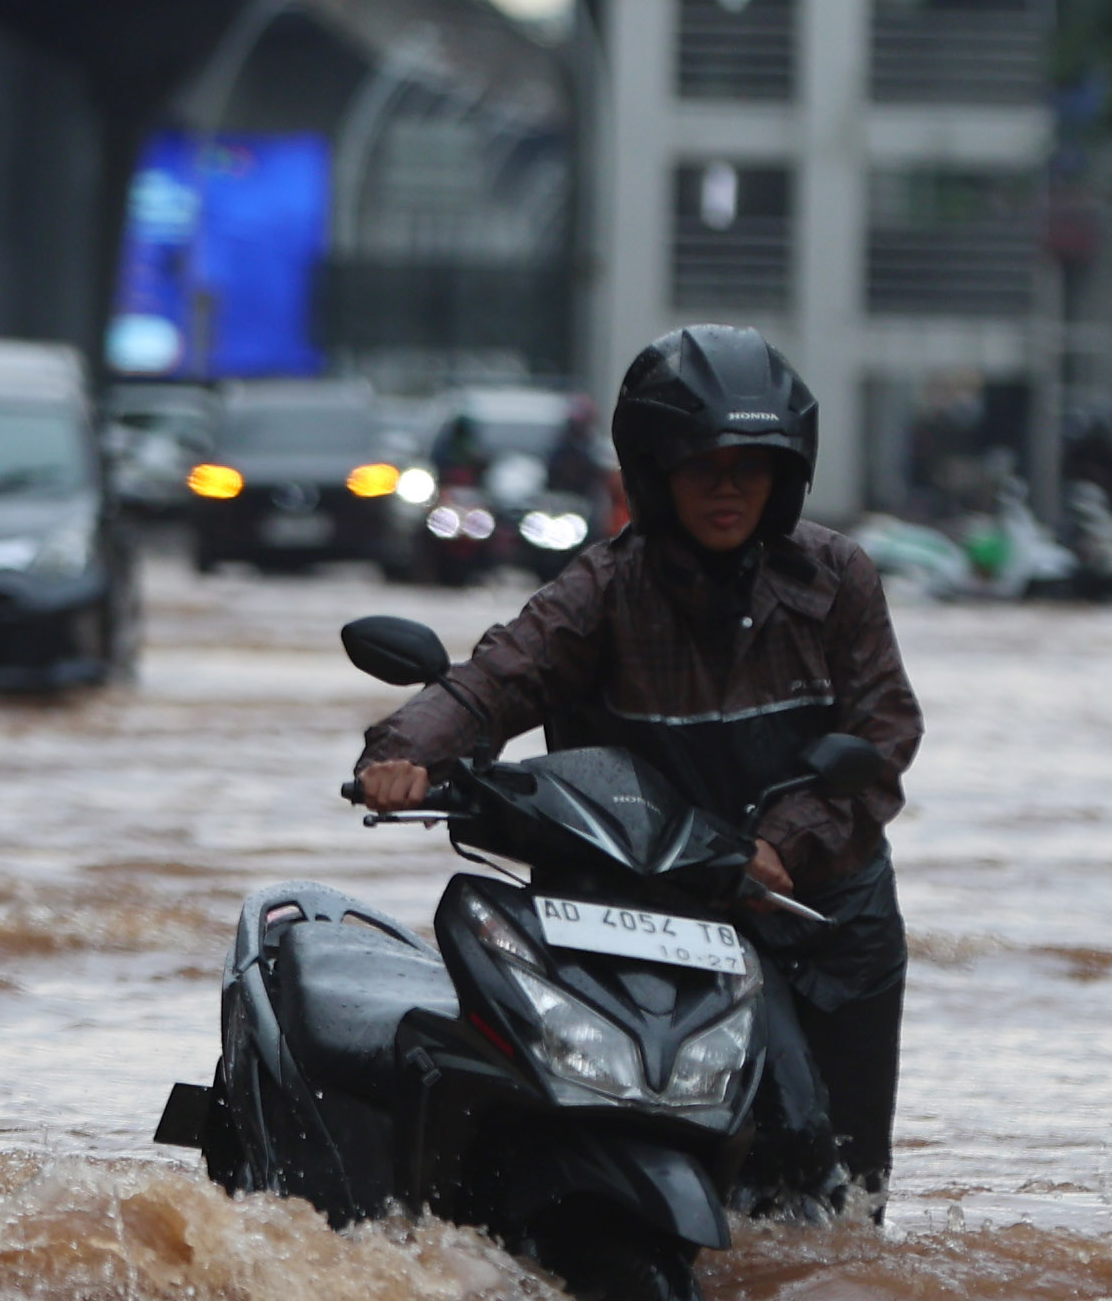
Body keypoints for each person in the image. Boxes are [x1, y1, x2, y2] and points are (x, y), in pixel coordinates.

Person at [352, 324, 920, 1204]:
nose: (726, 485)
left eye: (749, 463)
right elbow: (493, 679)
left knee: (837, 1192)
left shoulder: (837, 578)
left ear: (783, 474)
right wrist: (403, 755)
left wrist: (785, 841)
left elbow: (884, 735)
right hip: (657, 918)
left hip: (823, 918)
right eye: (700, 464)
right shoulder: (604, 588)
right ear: (657, 473)